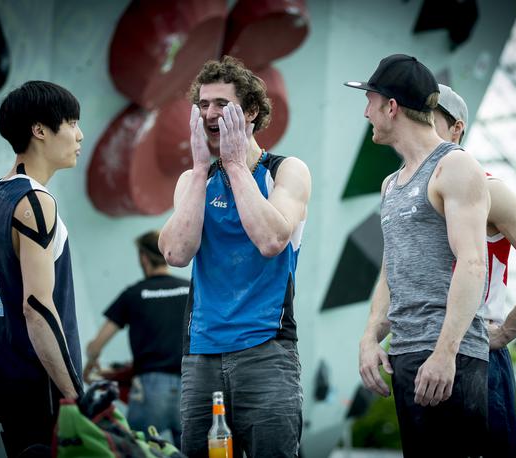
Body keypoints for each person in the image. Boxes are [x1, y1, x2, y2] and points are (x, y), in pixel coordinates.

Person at [158, 55, 311, 458]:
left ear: (252, 112)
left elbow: (271, 239)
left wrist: (234, 163)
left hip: (267, 350)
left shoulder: (286, 171)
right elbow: (175, 252)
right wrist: (197, 168)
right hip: (202, 352)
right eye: (203, 105)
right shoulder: (193, 181)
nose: (210, 113)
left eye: (223, 105)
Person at [347, 54, 490, 457]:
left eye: (370, 101)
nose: (366, 113)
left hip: (451, 357)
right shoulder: (390, 184)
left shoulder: (454, 166)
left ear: (391, 106)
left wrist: (445, 353)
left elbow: (473, 263)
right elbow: (393, 268)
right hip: (407, 354)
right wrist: (371, 335)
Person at [433, 84, 516, 458]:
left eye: (429, 116)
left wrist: (505, 332)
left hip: (477, 352)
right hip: (426, 351)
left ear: (456, 128)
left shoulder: (488, 188)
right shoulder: (407, 192)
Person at [0, 81, 84, 457]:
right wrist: (74, 395)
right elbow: (36, 309)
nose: (79, 135)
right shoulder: (35, 201)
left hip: (7, 387)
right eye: (71, 122)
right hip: (43, 392)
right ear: (39, 130)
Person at [82, 230, 190, 449]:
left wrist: (92, 360)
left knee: (137, 451)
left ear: (143, 258)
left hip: (149, 389)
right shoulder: (190, 289)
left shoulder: (133, 294)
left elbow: (97, 345)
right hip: (191, 384)